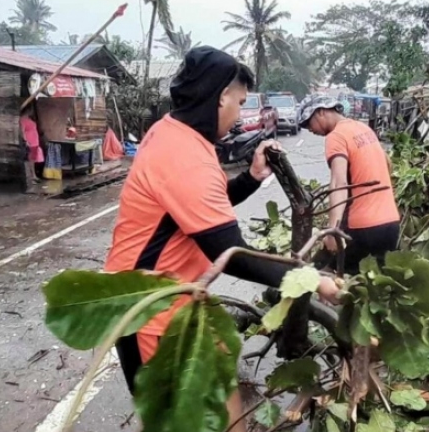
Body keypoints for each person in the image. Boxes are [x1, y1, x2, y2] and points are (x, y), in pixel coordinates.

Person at [103, 46, 340, 431]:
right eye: (241, 102)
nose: (240, 113)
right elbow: (233, 255)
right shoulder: (186, 157)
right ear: (221, 95)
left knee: (225, 407)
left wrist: (251, 177)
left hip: (177, 298)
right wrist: (314, 278)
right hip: (148, 308)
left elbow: (194, 215)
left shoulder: (171, 132)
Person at [297, 98, 400, 274]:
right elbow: (387, 164)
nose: (311, 130)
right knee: (374, 283)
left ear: (321, 111)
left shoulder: (336, 136)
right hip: (390, 224)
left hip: (361, 229)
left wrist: (333, 230)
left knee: (324, 276)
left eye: (309, 124)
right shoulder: (363, 128)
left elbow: (339, 183)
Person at [19, 106, 45, 181]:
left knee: (33, 159)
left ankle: (33, 175)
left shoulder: (29, 119)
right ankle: (32, 176)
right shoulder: (23, 120)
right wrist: (25, 141)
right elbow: (22, 131)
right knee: (31, 159)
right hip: (30, 141)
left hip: (35, 141)